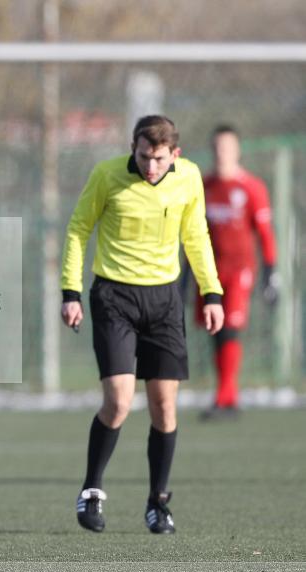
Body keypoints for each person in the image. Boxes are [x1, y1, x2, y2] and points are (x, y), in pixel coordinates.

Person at [60, 115, 224, 535]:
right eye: (144, 156)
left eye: (159, 159)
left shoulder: (188, 179)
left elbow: (197, 236)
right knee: (118, 400)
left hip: (165, 301)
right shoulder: (107, 174)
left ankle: (158, 502)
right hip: (114, 296)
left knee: (164, 406)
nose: (151, 166)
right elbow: (79, 229)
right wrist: (70, 292)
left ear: (175, 155)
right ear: (132, 148)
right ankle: (92, 489)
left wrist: (212, 292)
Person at [197, 125, 278, 420]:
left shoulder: (251, 187)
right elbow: (192, 234)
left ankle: (225, 397)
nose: (222, 153)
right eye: (217, 146)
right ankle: (227, 398)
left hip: (240, 270)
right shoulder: (204, 186)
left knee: (230, 328)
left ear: (237, 150)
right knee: (217, 332)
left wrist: (271, 271)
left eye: (227, 147)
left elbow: (265, 233)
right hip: (209, 273)